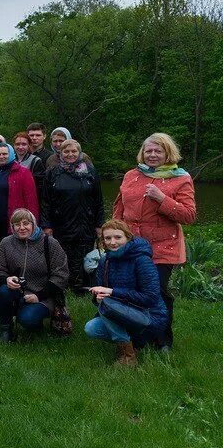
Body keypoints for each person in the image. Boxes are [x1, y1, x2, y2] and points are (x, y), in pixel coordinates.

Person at [112, 132, 196, 351]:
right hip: (132, 245)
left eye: (158, 151)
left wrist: (162, 199)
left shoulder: (180, 178)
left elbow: (188, 215)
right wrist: (113, 234)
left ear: (167, 153)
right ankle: (138, 336)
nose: (152, 155)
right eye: (148, 150)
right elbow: (119, 208)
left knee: (156, 291)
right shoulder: (132, 175)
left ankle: (163, 339)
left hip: (163, 247)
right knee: (133, 288)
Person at [85, 220, 169, 365]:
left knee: (108, 304)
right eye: (108, 238)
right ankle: (129, 345)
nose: (112, 242)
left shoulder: (142, 260)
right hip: (120, 312)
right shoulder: (105, 261)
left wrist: (112, 292)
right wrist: (98, 298)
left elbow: (150, 297)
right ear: (103, 241)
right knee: (91, 328)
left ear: (128, 237)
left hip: (148, 314)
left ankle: (128, 356)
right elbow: (99, 293)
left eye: (118, 237)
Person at [0, 209, 69, 341]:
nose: (21, 228)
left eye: (26, 223)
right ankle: (6, 329)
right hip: (16, 291)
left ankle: (34, 322)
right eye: (17, 224)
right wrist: (7, 278)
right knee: (4, 290)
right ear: (12, 227)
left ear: (33, 224)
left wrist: (38, 296)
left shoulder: (49, 243)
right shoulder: (6, 243)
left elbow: (61, 275)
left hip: (43, 295)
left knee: (28, 319)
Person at [41, 139, 104, 293]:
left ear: (79, 152)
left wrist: (99, 224)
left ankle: (82, 289)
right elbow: (45, 202)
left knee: (84, 257)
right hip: (61, 223)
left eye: (74, 151)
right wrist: (47, 225)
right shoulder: (52, 173)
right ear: (60, 153)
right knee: (62, 256)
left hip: (86, 223)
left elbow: (99, 200)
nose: (70, 154)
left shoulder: (90, 171)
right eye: (66, 151)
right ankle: (64, 286)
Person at [0, 141, 39, 258]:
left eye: (4, 154)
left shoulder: (23, 172)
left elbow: (31, 200)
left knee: (9, 255)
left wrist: (33, 223)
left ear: (11, 154)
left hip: (9, 223)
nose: (1, 157)